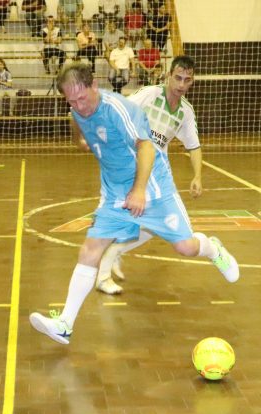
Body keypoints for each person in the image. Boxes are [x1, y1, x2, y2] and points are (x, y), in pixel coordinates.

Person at [29, 62, 239, 345]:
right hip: (115, 193)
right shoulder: (77, 111)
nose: (79, 105)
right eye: (71, 100)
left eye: (82, 97)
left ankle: (214, 248)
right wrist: (79, 139)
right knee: (90, 249)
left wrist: (139, 190)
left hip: (153, 187)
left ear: (94, 86)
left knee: (186, 247)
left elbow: (147, 147)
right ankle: (65, 323)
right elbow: (76, 120)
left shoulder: (118, 109)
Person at [97, 55, 204, 294]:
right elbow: (121, 109)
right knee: (120, 217)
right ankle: (103, 274)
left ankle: (114, 253)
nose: (181, 84)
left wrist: (197, 176)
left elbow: (194, 146)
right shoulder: (149, 94)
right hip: (129, 162)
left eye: (187, 80)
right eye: (177, 78)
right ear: (168, 76)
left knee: (153, 224)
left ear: (191, 82)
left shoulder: (185, 112)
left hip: (155, 171)